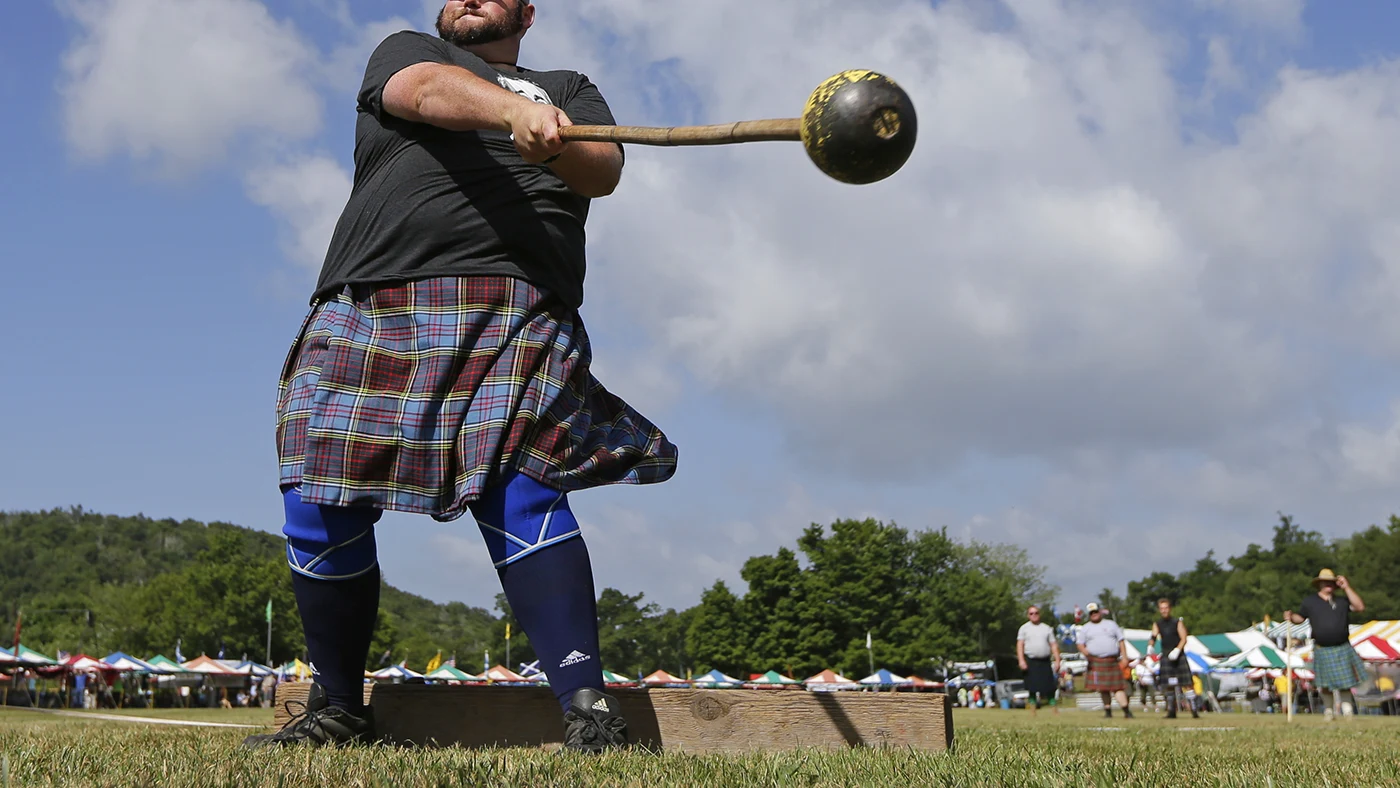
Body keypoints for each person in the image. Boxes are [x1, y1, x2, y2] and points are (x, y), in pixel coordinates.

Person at [242, 0, 676, 752]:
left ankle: (588, 711)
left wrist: (553, 141)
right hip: (375, 296)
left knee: (522, 484)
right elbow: (424, 91)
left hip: (516, 302)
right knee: (318, 501)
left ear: (526, 12)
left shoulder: (569, 87)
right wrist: (508, 111)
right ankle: (339, 706)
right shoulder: (406, 51)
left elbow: (602, 171)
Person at [1283, 569, 1366, 720]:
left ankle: (1348, 712)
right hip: (1322, 648)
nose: (1329, 584)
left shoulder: (1342, 601)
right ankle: (1328, 711)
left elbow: (1360, 607)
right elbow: (1299, 618)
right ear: (1319, 584)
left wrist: (1346, 587)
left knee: (1345, 682)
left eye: (1331, 582)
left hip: (1342, 647)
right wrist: (1290, 616)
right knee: (1324, 684)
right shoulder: (1310, 602)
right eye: (1325, 582)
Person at [1076, 602, 1134, 718]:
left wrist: (1125, 657)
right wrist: (1088, 654)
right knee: (1103, 689)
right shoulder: (1086, 628)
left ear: (1100, 612)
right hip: (1096, 661)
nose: (1094, 614)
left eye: (1096, 612)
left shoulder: (1111, 624)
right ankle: (1108, 711)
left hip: (1112, 660)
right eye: (1091, 613)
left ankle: (1126, 711)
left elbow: (1121, 641)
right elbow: (1080, 644)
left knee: (1118, 688)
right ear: (1089, 614)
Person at [1148, 598, 1198, 719]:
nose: (1164, 611)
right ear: (1159, 610)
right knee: (1168, 685)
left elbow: (1184, 638)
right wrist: (1150, 645)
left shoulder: (1177, 622)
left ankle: (1194, 710)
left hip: (1178, 655)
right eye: (1162, 608)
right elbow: (1154, 635)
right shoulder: (1157, 623)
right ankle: (1171, 711)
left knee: (1187, 684)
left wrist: (1177, 650)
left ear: (1170, 609)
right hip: (1166, 655)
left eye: (1166, 608)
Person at [1016, 605, 1061, 714]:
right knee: (1031, 687)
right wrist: (1021, 660)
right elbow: (1020, 645)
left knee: (1050, 687)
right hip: (1030, 661)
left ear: (1039, 614)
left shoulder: (1046, 628)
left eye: (1036, 613)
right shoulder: (1024, 628)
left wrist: (1057, 660)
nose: (1034, 615)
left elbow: (1053, 645)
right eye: (1031, 613)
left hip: (1045, 660)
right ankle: (1033, 710)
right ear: (1028, 615)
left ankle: (1054, 709)